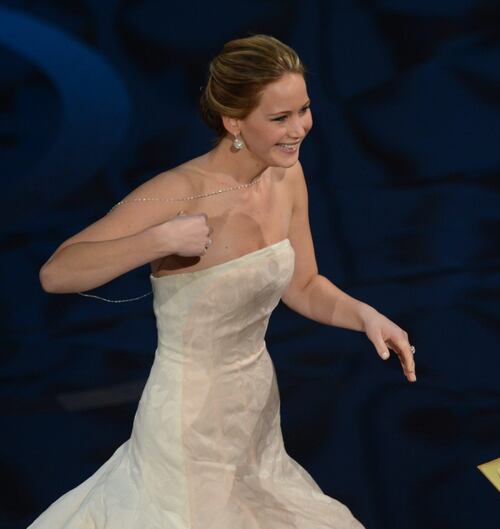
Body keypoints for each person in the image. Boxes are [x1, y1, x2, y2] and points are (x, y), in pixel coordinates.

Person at [32, 34, 416, 529]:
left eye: (304, 109)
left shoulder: (286, 175)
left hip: (254, 407)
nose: (299, 128)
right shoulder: (178, 192)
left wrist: (366, 316)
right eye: (279, 118)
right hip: (187, 421)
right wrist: (157, 239)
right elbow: (56, 272)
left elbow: (303, 284)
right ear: (234, 121)